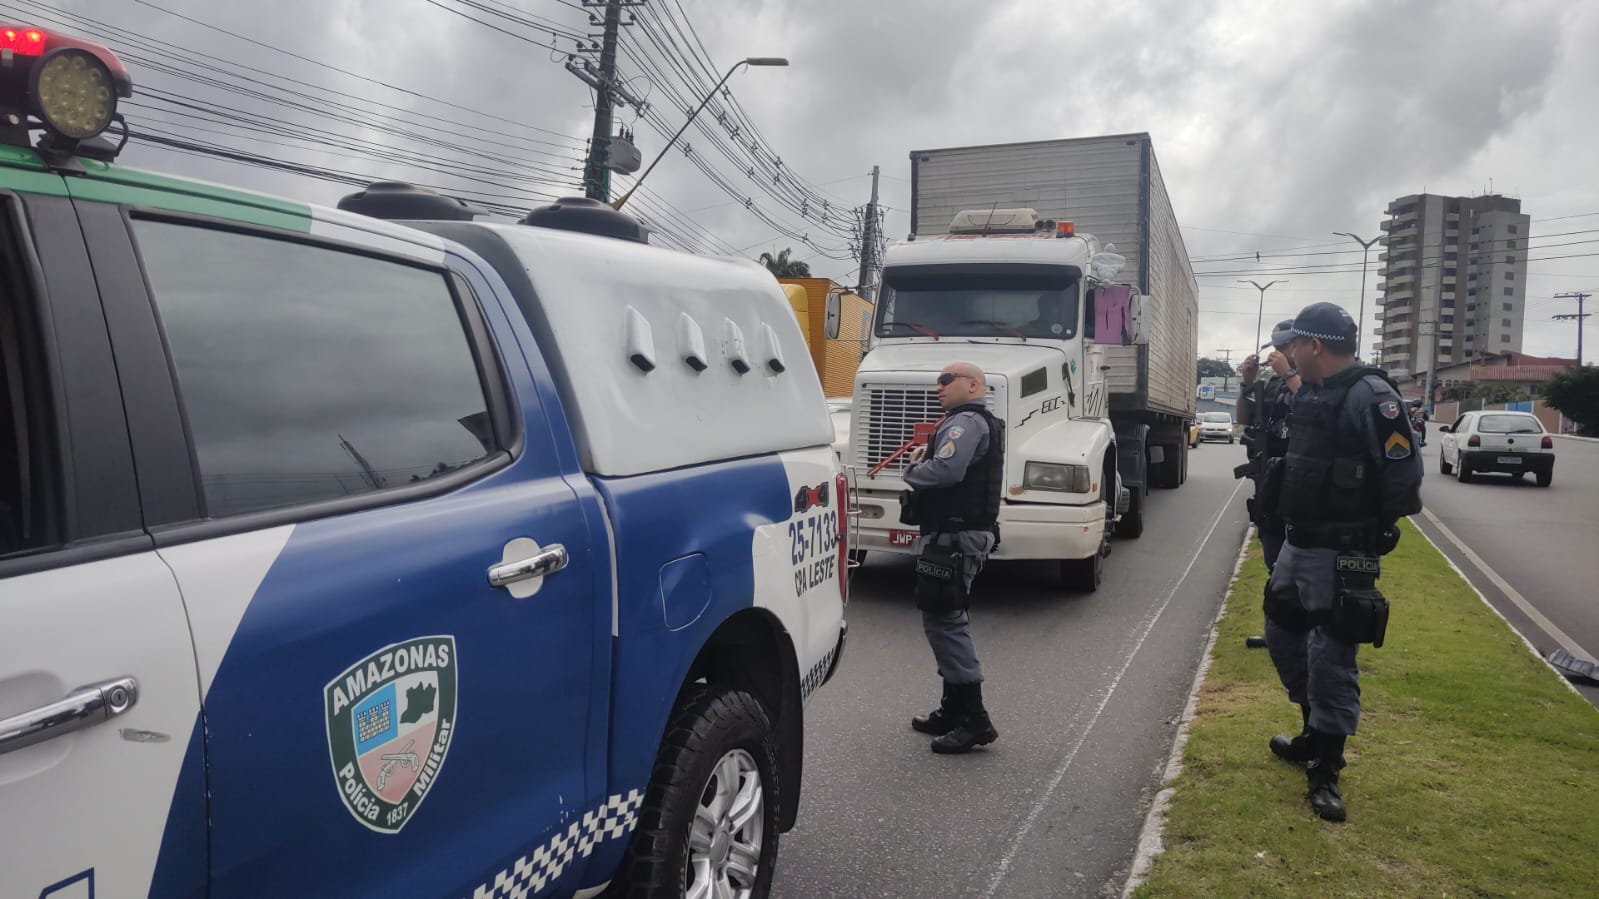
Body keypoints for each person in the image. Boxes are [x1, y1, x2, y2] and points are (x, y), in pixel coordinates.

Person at [1261, 302, 1422, 823]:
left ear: (1315, 346)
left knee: (1331, 656)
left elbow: (1403, 476)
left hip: (1342, 552)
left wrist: (1372, 530)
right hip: (1298, 543)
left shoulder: (1371, 397)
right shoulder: (1315, 390)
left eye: (1294, 344)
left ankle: (1327, 766)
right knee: (1281, 632)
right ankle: (1313, 729)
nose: (1289, 352)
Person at [902, 360, 1005, 754]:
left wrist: (913, 467)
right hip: (955, 537)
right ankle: (953, 710)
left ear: (974, 384)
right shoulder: (972, 422)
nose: (938, 388)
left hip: (955, 539)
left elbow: (946, 471)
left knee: (946, 621)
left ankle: (974, 719)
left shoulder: (966, 423)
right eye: (938, 382)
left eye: (946, 380)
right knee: (945, 616)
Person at [1235, 322, 1303, 649]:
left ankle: (1303, 631)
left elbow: (1316, 411)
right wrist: (1247, 383)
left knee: (1301, 563)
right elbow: (1244, 419)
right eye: (1276, 347)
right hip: (1269, 481)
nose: (1280, 352)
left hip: (1300, 481)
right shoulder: (1273, 384)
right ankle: (1278, 629)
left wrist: (1289, 373)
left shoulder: (1313, 381)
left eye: (1286, 345)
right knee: (1274, 559)